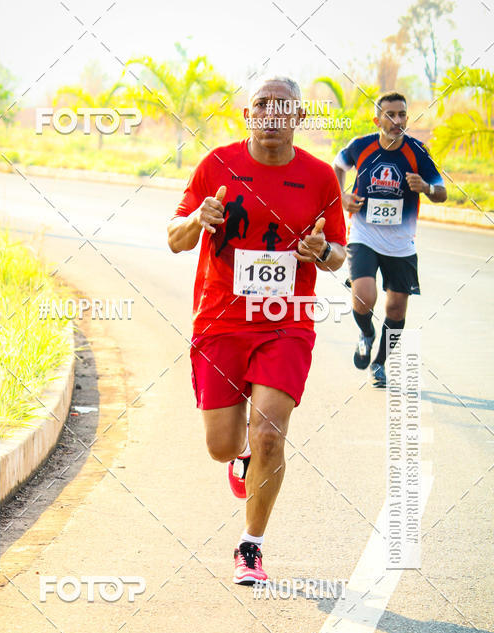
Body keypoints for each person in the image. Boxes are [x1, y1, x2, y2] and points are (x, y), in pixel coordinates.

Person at [167, 76, 346, 585]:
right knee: (222, 446)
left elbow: (338, 253)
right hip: (221, 320)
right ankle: (239, 455)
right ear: (248, 115)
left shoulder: (319, 178)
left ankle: (251, 546)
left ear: (299, 117)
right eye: (261, 105)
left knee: (269, 433)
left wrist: (321, 252)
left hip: (286, 323)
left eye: (282, 106)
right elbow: (175, 239)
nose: (271, 114)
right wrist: (198, 219)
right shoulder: (216, 165)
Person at [333, 90, 447, 387]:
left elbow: (442, 192)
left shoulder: (417, 151)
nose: (397, 120)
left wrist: (426, 187)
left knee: (396, 309)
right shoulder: (361, 146)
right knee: (364, 296)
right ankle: (366, 333)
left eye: (402, 114)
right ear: (377, 120)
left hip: (400, 243)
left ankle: (379, 364)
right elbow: (338, 166)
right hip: (363, 235)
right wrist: (342, 196)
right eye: (390, 115)